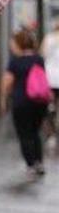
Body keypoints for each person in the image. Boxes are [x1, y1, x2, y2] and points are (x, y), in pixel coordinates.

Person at [1, 30, 50, 178]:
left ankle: (31, 164)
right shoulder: (38, 59)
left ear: (19, 44)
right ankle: (39, 162)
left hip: (21, 102)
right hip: (40, 101)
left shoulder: (15, 62)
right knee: (35, 132)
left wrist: (3, 100)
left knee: (24, 133)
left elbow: (7, 83)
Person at [39, 23, 59, 151]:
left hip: (50, 78)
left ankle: (51, 134)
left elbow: (42, 55)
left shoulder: (49, 38)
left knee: (48, 107)